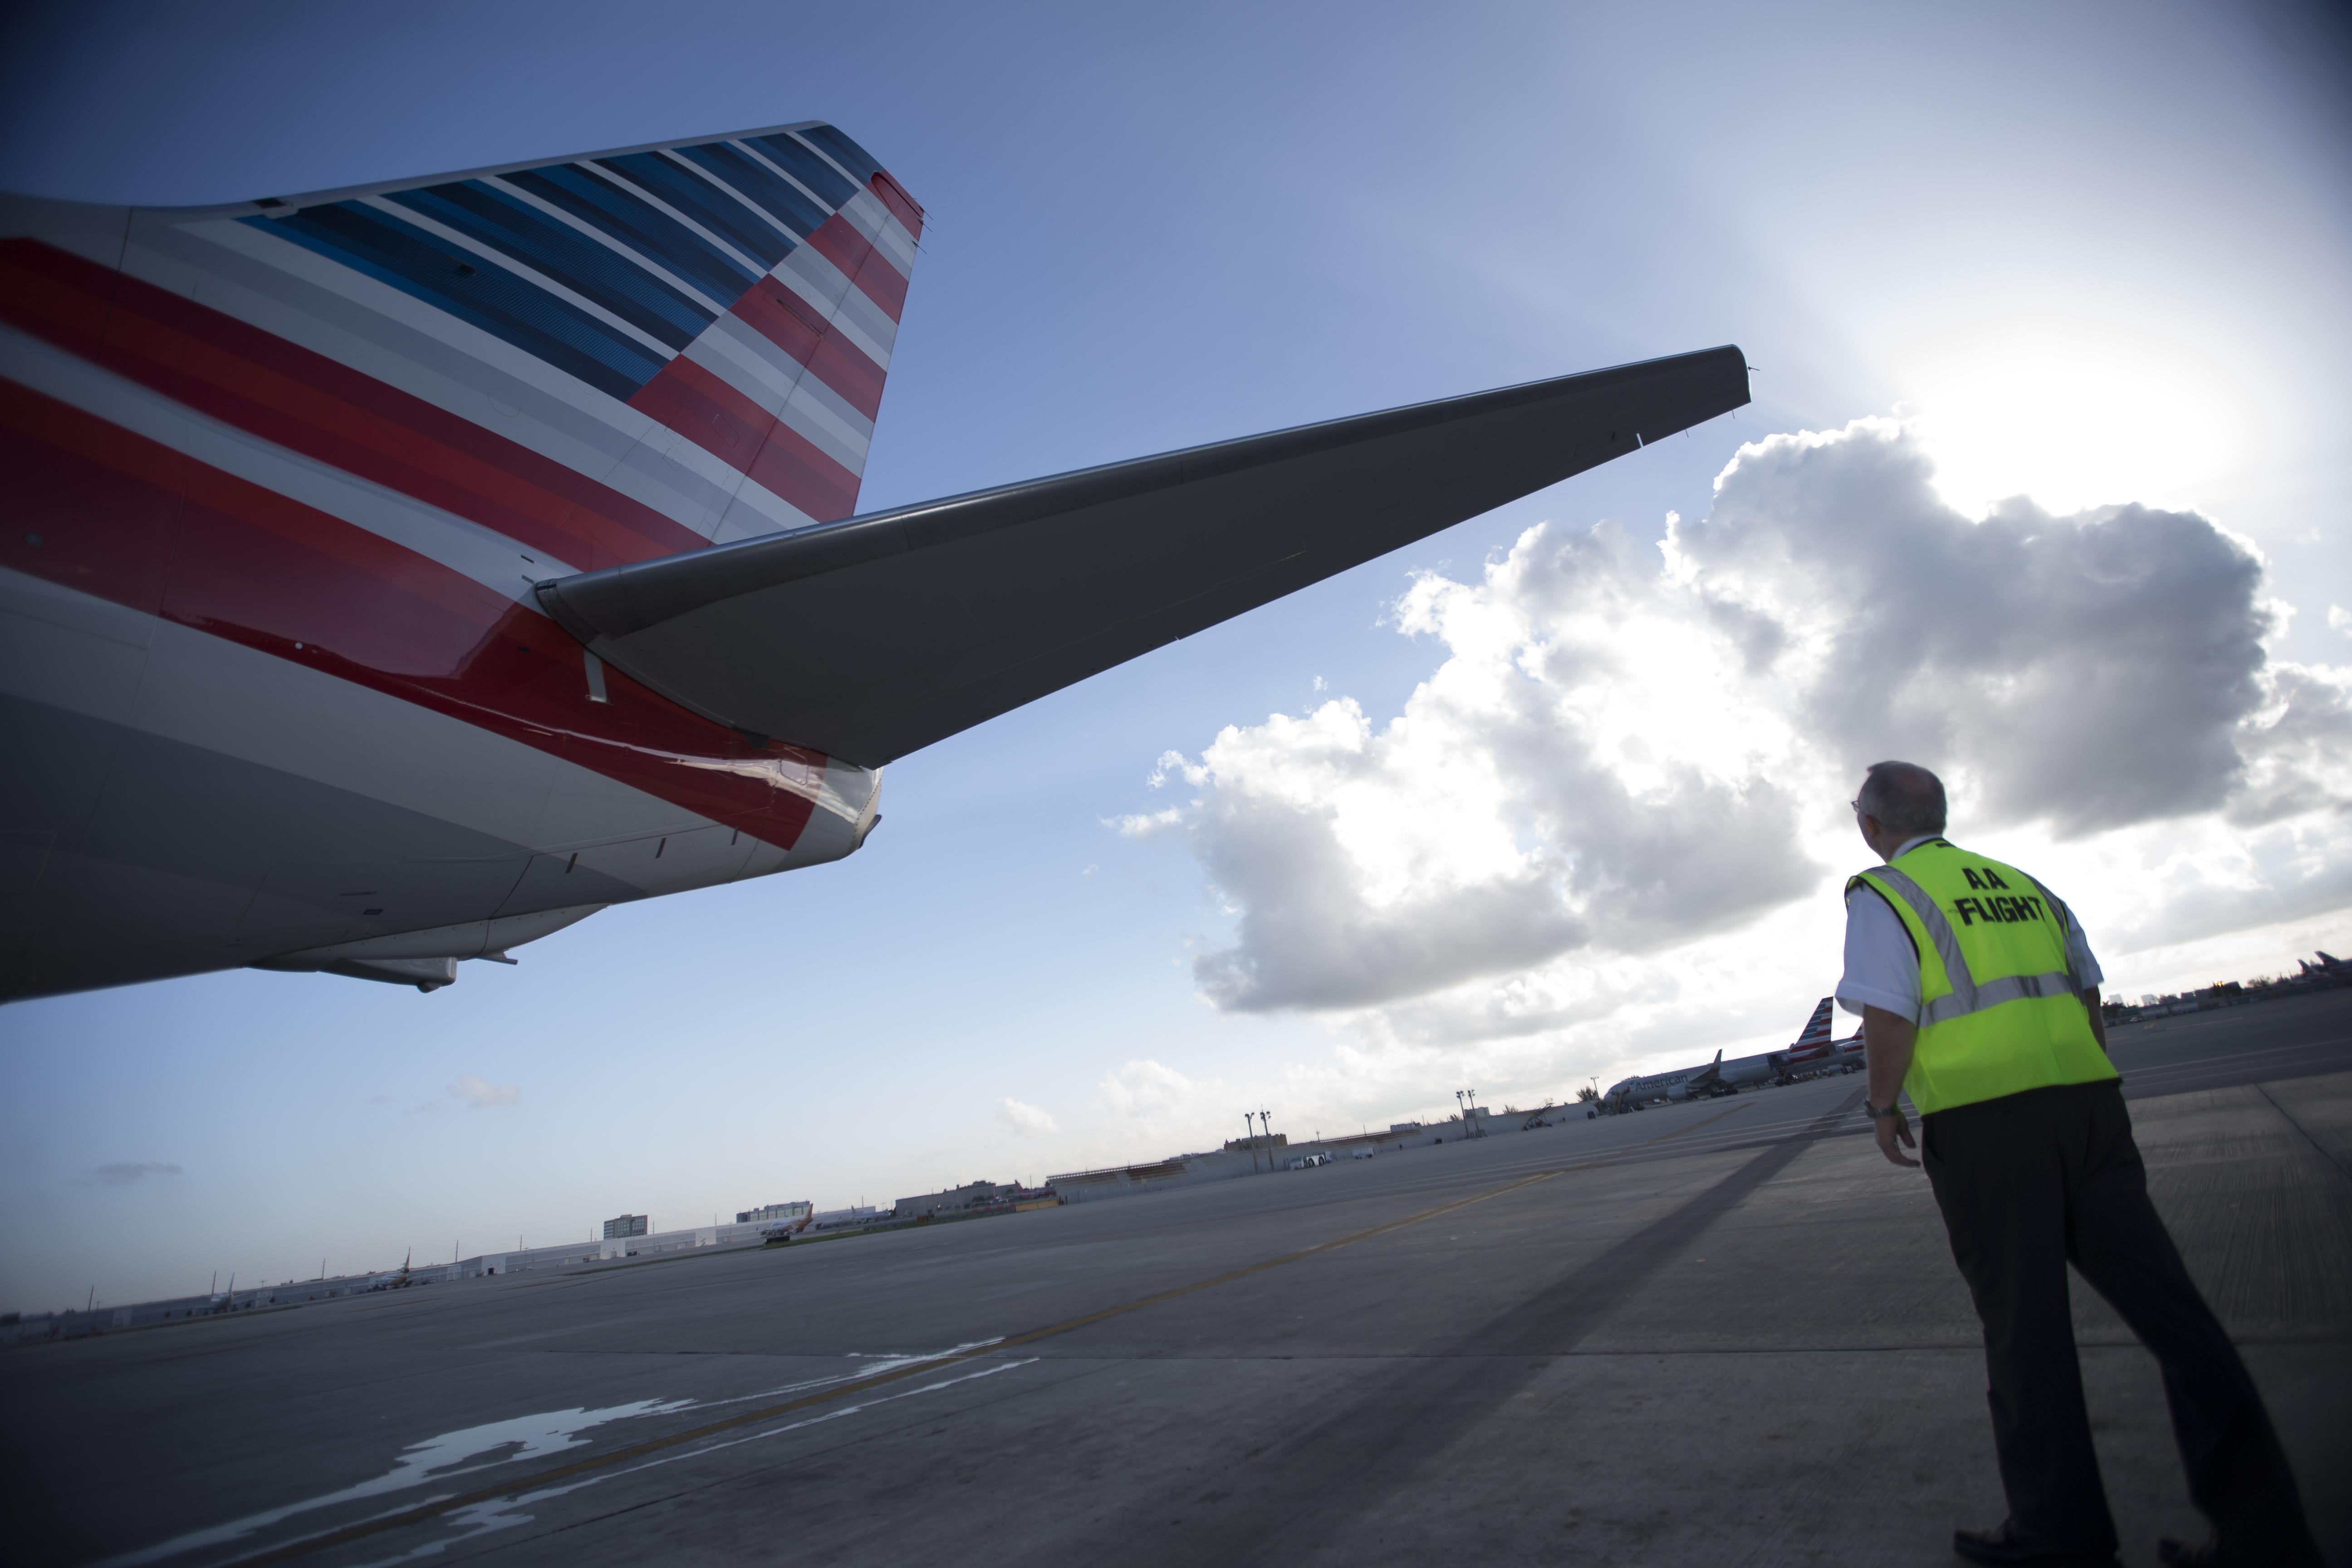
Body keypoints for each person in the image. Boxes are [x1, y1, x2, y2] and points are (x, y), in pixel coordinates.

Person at [1838, 761, 2319, 1568]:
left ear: (1871, 827)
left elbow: (1891, 1012)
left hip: (1987, 1129)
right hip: (2090, 1110)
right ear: (1943, 814)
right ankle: (2266, 1531)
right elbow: (2088, 994)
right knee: (2177, 1318)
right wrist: (2081, 1090)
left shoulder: (1883, 894)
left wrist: (1884, 1108)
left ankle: (2064, 1536)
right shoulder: (2025, 885)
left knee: (2027, 1337)